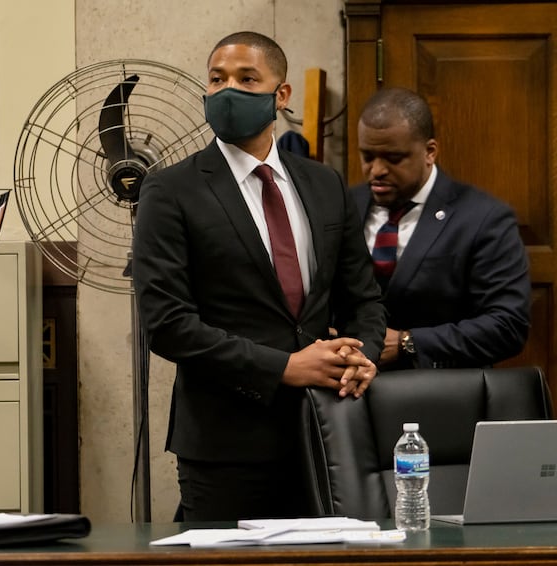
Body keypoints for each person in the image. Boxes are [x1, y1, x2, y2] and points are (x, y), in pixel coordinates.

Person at [131, 31, 386, 521]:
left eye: (247, 79)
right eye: (217, 79)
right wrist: (283, 367)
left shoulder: (324, 183)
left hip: (328, 431)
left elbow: (364, 298)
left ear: (281, 94)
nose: (228, 90)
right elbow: (167, 324)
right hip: (226, 443)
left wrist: (364, 356)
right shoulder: (170, 191)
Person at [350, 87, 530, 370]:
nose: (376, 170)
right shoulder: (345, 205)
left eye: (393, 158)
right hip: (347, 388)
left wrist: (408, 343)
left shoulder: (484, 218)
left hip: (442, 388)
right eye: (367, 156)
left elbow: (508, 325)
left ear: (429, 152)